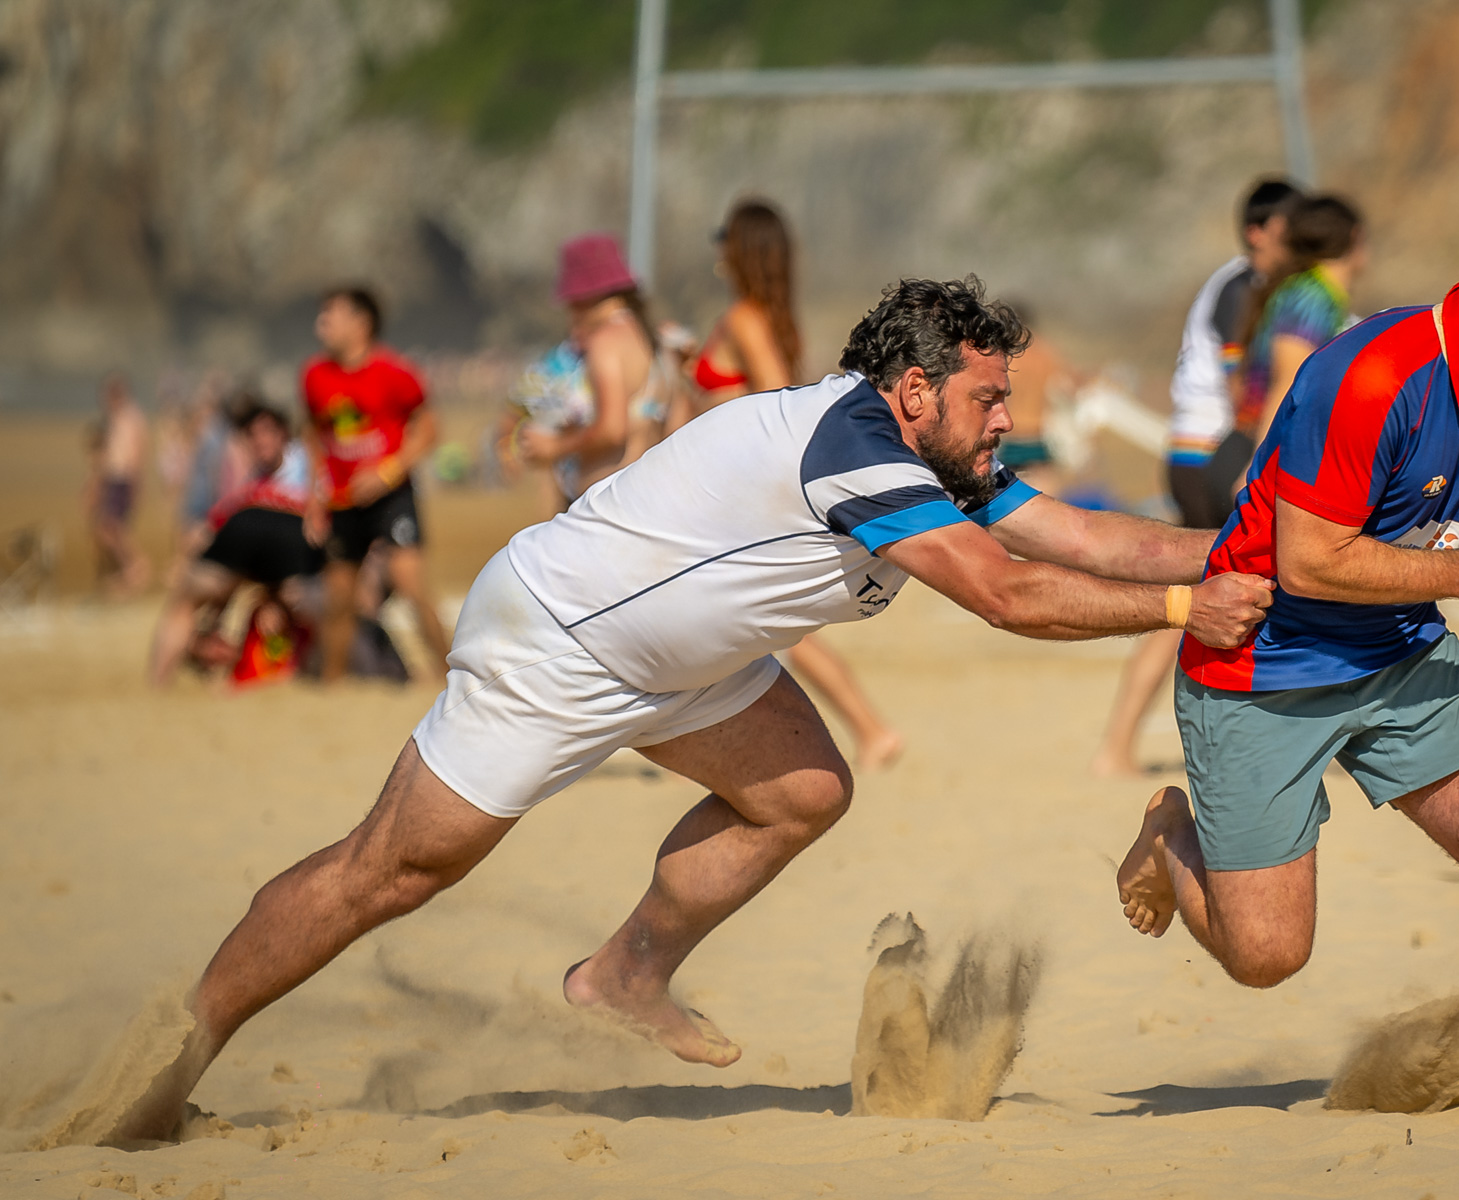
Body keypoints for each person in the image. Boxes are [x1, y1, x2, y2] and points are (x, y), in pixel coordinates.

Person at [105, 276, 1277, 1143]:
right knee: (391, 872)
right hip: (561, 639)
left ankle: (623, 976)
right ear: (916, 391)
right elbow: (1009, 595)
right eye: (990, 398)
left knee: (802, 791)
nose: (1007, 418)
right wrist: (1190, 607)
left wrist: (1259, 550)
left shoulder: (932, 455)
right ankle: (169, 1057)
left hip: (679, 663)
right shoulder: (859, 447)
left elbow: (1083, 537)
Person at [1115, 205, 1459, 1001]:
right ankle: (1170, 839)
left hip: (1400, 647)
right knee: (1267, 957)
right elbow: (1307, 565)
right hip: (1264, 658)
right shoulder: (1373, 376)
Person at [1092, 179, 1300, 776]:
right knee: (1251, 594)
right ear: (1257, 233)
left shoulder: (1247, 284)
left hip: (1195, 455)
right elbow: (1243, 389)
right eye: (1291, 229)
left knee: (1193, 601)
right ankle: (1242, 751)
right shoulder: (1244, 285)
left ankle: (1117, 745)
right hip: (1213, 457)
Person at [690, 198, 904, 768]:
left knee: (772, 621)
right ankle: (867, 729)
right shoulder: (767, 316)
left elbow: (776, 398)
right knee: (759, 618)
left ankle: (870, 728)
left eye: (723, 237)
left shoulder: (745, 318)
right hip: (736, 482)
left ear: (740, 249)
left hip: (737, 486)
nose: (716, 249)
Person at [300, 286, 450, 683]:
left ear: (361, 323)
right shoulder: (314, 375)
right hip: (341, 501)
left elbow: (429, 430)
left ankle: (450, 675)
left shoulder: (395, 372)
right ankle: (332, 686)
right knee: (339, 597)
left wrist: (387, 474)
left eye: (330, 316)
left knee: (411, 587)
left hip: (392, 498)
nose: (320, 325)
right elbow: (313, 436)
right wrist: (314, 495)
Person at [496, 234, 686, 518]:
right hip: (643, 503)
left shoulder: (605, 343)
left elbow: (612, 430)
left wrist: (554, 447)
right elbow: (676, 424)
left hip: (605, 508)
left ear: (586, 294)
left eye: (571, 301)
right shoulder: (656, 343)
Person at [148, 398, 319, 687]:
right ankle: (163, 681)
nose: (260, 441)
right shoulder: (255, 477)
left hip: (286, 529)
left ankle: (160, 681)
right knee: (190, 597)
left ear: (284, 435)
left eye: (267, 432)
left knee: (188, 600)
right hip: (259, 535)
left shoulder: (305, 459)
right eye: (252, 435)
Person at [1237, 194, 1366, 450]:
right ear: (1356, 236)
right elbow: (1286, 382)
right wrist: (1259, 463)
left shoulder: (1321, 294)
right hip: (1261, 447)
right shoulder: (1310, 296)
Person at [993, 298, 1074, 494]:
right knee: (1047, 503)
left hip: (1009, 438)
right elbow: (1068, 388)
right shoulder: (1045, 351)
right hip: (1038, 439)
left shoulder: (1004, 353)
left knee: (1003, 504)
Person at [86, 373, 152, 598]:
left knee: (113, 526)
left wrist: (134, 483)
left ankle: (136, 567)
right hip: (115, 478)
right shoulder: (117, 417)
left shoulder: (130, 417)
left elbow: (136, 453)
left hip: (123, 478)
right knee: (109, 528)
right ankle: (131, 568)